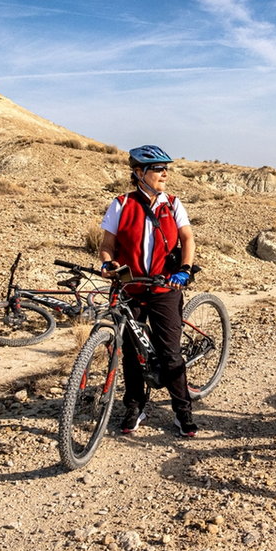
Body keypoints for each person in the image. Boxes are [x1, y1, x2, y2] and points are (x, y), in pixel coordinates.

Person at [98, 145, 198, 438]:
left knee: (170, 354)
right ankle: (134, 405)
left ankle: (182, 410)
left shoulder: (173, 204)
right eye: (158, 169)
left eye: (167, 168)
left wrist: (185, 269)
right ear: (139, 173)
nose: (165, 173)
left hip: (165, 285)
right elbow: (106, 245)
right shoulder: (120, 204)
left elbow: (187, 238)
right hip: (130, 287)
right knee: (131, 351)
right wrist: (107, 264)